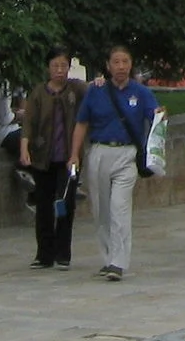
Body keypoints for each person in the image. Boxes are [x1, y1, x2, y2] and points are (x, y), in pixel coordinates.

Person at [69, 44, 161, 280]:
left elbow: (156, 118)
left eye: (125, 62)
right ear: (108, 66)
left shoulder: (140, 93)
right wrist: (74, 154)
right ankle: (108, 257)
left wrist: (160, 116)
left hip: (127, 154)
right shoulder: (96, 91)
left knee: (119, 207)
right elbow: (82, 123)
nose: (121, 67)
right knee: (101, 209)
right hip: (99, 151)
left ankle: (119, 262)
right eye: (116, 62)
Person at [18, 49, 87, 270]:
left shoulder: (76, 89)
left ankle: (63, 253)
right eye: (55, 66)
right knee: (44, 205)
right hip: (43, 157)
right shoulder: (39, 92)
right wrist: (24, 149)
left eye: (63, 66)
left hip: (69, 158)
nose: (59, 70)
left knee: (65, 204)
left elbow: (95, 95)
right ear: (48, 67)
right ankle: (44, 254)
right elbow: (28, 122)